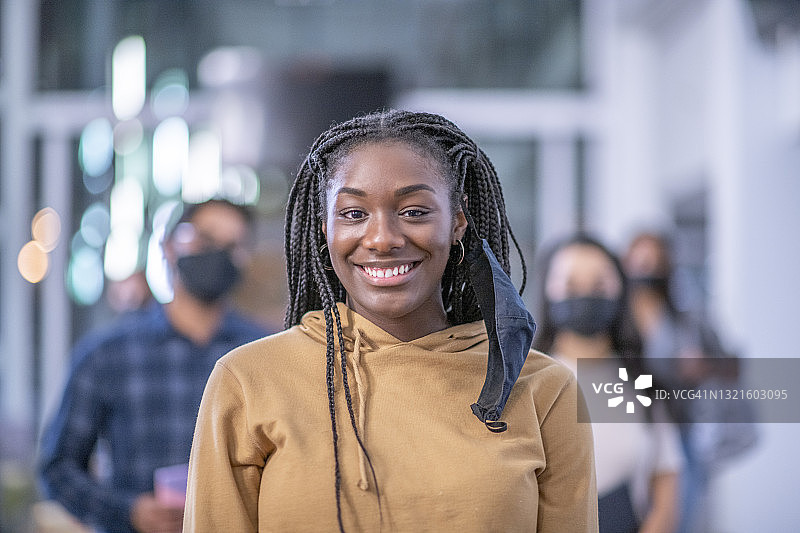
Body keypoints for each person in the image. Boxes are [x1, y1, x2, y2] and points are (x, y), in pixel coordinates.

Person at [183, 110, 598, 532]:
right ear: (324, 229)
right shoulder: (248, 379)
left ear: (457, 222)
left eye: (414, 211)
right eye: (353, 214)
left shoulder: (544, 389)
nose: (382, 239)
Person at [39, 199, 269, 533]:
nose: (218, 255)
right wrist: (128, 512)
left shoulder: (262, 355)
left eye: (232, 246)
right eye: (205, 241)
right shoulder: (108, 354)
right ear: (169, 247)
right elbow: (58, 467)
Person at [534, 233, 683, 533]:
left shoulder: (641, 382)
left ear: (620, 289)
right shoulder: (528, 381)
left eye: (599, 285)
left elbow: (666, 485)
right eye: (571, 285)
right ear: (548, 291)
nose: (585, 295)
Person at [623, 231, 756, 533]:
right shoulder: (617, 321)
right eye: (640, 263)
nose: (646, 272)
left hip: (680, 431)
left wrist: (702, 366)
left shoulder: (689, 320)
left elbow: (732, 365)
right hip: (633, 430)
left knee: (679, 516)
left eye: (655, 263)